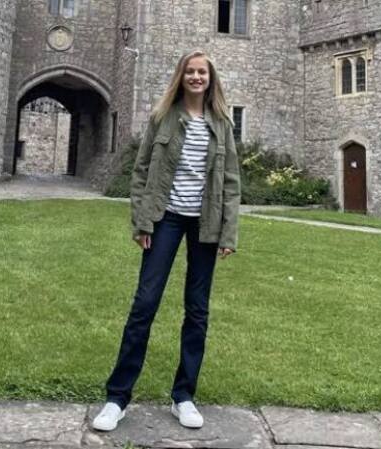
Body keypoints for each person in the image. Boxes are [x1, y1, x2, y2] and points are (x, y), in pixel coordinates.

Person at [92, 50, 241, 431]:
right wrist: (142, 221)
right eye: (190, 71)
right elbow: (141, 171)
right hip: (165, 219)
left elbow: (230, 181)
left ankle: (183, 396)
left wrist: (228, 233)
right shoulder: (162, 118)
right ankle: (116, 398)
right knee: (145, 304)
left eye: (202, 72)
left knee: (197, 310)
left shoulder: (222, 123)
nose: (196, 77)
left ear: (210, 79)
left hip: (206, 223)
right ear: (181, 76)